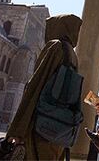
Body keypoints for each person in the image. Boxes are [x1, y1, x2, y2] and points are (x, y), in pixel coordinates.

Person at [6, 14, 82, 160]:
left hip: (40, 126)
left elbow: (35, 86)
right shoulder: (72, 54)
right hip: (57, 128)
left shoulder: (55, 46)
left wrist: (17, 129)